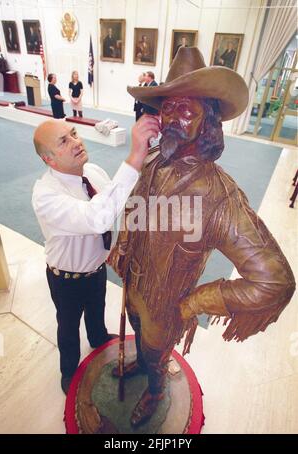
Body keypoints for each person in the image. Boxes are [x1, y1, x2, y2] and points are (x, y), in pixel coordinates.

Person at [108, 47, 296, 427]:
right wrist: (125, 245)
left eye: (187, 110)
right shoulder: (153, 158)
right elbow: (133, 205)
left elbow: (275, 280)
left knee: (157, 352)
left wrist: (195, 302)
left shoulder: (219, 196)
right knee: (141, 336)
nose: (174, 118)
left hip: (169, 304)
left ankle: (156, 388)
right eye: (168, 108)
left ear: (208, 120)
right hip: (133, 284)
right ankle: (143, 363)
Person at [32, 115, 160, 395]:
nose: (76, 142)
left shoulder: (93, 171)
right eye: (64, 141)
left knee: (97, 308)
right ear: (49, 159)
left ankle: (98, 337)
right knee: (67, 326)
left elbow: (117, 199)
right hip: (66, 277)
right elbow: (98, 217)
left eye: (74, 133)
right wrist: (135, 155)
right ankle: (68, 372)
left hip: (96, 268)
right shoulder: (46, 195)